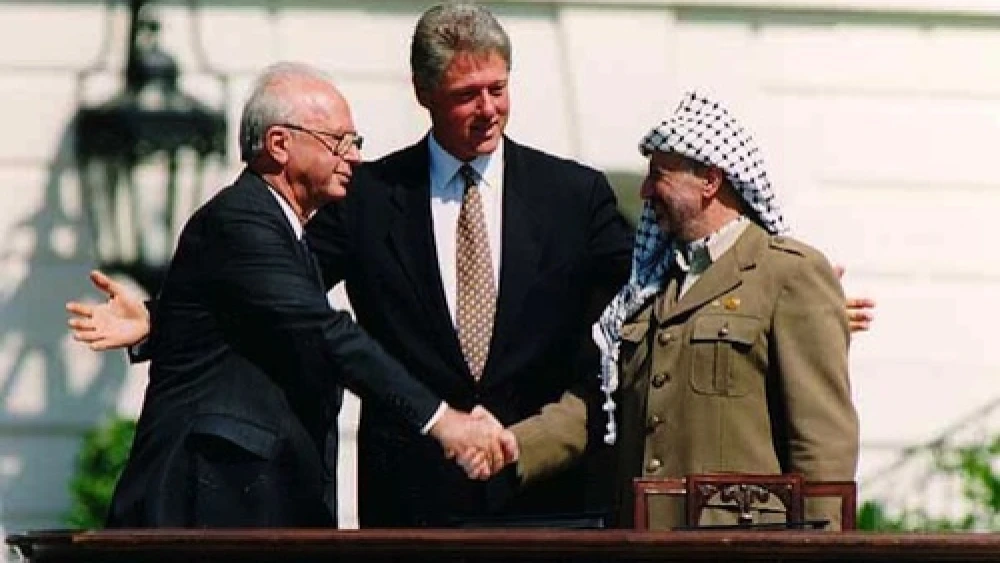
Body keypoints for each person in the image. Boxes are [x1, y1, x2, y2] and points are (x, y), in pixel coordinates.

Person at [69, 3, 873, 527]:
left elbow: (655, 282)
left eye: (497, 88)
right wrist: (164, 319)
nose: (487, 109)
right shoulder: (368, 196)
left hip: (550, 500)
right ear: (425, 94)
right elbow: (284, 298)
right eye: (466, 95)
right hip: (412, 504)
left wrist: (780, 295)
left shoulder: (574, 195)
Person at [67, 62, 507, 528]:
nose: (355, 157)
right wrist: (442, 421)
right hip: (210, 509)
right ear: (279, 144)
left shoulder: (287, 234)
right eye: (340, 142)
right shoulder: (241, 220)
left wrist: (159, 318)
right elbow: (322, 330)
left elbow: (246, 314)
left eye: (355, 142)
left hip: (263, 505)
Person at [495, 91, 860, 530]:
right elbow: (600, 405)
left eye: (659, 176)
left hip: (743, 547)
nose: (645, 191)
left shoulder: (788, 274)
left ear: (710, 181)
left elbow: (822, 442)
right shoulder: (648, 286)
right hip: (643, 543)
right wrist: (511, 446)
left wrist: (820, 547)